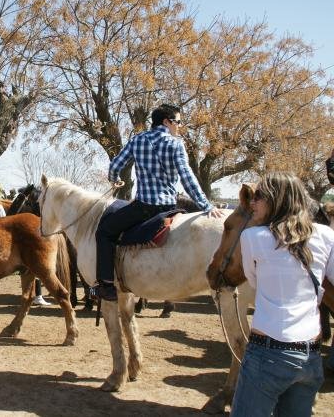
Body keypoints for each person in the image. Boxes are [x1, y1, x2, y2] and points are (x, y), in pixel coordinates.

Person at [230, 172, 334, 417]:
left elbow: (253, 280)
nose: (252, 203)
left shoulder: (252, 237)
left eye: (258, 197)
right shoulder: (327, 236)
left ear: (277, 200)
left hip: (267, 353)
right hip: (309, 356)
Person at [98, 104, 222, 301]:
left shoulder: (137, 140)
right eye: (178, 122)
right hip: (170, 207)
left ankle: (105, 284)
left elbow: (115, 166)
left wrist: (115, 179)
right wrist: (205, 206)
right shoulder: (176, 144)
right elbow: (187, 178)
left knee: (104, 230)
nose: (179, 126)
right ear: (167, 122)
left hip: (143, 207)